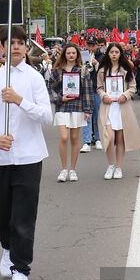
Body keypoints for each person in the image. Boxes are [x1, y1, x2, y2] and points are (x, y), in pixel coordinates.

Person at [0, 27, 52, 280]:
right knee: (0, 212)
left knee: (23, 216)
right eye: (12, 43)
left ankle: (21, 271)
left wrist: (20, 101)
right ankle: (7, 247)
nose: (17, 47)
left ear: (26, 48)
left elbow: (47, 116)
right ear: (2, 46)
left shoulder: (34, 79)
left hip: (29, 156)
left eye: (21, 43)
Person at [47, 43, 93, 182]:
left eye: (73, 53)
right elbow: (49, 88)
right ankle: (63, 169)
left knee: (74, 138)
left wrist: (88, 109)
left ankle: (72, 169)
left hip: (77, 106)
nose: (71, 55)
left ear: (77, 55)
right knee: (64, 137)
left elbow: (87, 91)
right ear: (64, 55)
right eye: (68, 53)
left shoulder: (83, 70)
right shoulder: (57, 71)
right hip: (62, 107)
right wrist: (59, 98)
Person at [95, 42, 140, 180]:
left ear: (120, 54)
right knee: (110, 137)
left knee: (120, 138)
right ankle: (111, 165)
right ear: (108, 54)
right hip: (108, 107)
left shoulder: (126, 70)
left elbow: (133, 87)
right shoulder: (102, 70)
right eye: (111, 52)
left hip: (122, 107)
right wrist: (104, 96)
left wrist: (125, 95)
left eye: (116, 52)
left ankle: (119, 167)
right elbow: (99, 88)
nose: (114, 54)